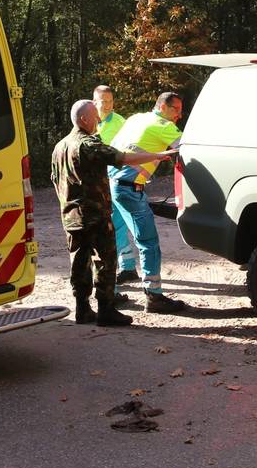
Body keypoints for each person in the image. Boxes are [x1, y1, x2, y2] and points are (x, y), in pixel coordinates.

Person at [52, 99, 175, 326]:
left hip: (71, 216)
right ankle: (106, 310)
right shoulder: (88, 144)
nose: (99, 120)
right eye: (94, 117)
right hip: (95, 215)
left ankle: (82, 309)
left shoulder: (60, 146)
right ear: (83, 119)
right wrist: (157, 155)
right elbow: (123, 158)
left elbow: (55, 180)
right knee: (106, 262)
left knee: (79, 263)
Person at [109, 92, 188, 313]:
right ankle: (154, 296)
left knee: (110, 237)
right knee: (148, 242)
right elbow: (190, 148)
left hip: (111, 182)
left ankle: (108, 292)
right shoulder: (163, 125)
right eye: (176, 109)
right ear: (162, 107)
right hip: (129, 188)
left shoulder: (136, 118)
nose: (179, 115)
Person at [93, 84, 140, 288]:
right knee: (113, 226)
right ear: (94, 101)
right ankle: (127, 266)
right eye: (103, 101)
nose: (107, 105)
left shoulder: (120, 122)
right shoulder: (90, 121)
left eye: (110, 101)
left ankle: (127, 267)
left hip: (115, 180)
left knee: (116, 225)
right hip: (96, 182)